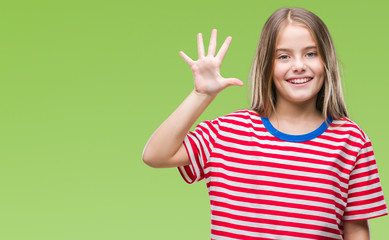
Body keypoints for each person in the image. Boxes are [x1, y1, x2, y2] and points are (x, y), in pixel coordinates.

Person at [142, 7, 388, 240]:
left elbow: (356, 231)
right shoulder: (227, 133)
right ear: (267, 66)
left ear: (327, 61)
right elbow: (156, 155)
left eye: (311, 53)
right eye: (283, 56)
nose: (299, 65)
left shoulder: (351, 140)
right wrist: (202, 95)